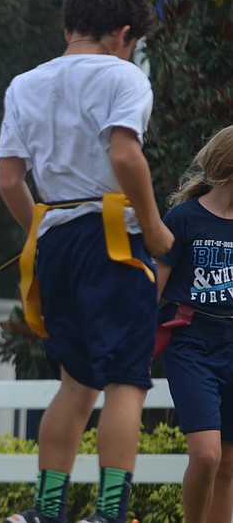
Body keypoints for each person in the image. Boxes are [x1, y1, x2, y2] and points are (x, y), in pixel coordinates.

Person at [0, 0, 174, 523]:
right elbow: (124, 155)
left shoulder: (25, 83)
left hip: (57, 241)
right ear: (124, 35)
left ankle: (48, 510)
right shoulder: (125, 79)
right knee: (127, 380)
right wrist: (156, 229)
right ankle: (110, 513)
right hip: (115, 238)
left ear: (68, 23)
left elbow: (7, 180)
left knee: (75, 384)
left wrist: (41, 233)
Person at [156, 125, 233, 523]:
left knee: (227, 469)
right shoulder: (182, 218)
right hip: (192, 343)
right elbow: (155, 289)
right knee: (206, 456)